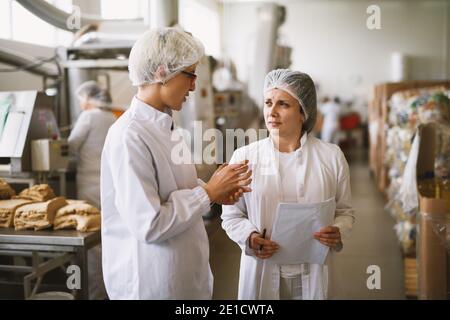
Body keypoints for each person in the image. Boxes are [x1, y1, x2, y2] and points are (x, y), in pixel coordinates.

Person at [100, 27, 252, 300]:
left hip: (181, 278)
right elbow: (150, 223)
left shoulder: (165, 127)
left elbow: (175, 189)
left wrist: (215, 191)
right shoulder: (129, 136)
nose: (194, 85)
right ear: (162, 72)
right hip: (151, 284)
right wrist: (207, 194)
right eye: (190, 74)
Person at [221, 69, 355, 300]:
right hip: (262, 268)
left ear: (303, 112)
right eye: (268, 102)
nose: (271, 111)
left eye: (283, 104)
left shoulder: (331, 156)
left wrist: (338, 230)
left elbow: (345, 211)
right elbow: (231, 215)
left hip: (315, 268)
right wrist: (250, 238)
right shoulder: (244, 157)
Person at [68, 80, 117, 300]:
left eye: (81, 100)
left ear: (88, 98)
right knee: (109, 237)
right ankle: (110, 289)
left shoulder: (88, 117)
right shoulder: (112, 117)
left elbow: (70, 145)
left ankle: (95, 294)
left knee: (91, 242)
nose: (81, 104)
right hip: (109, 186)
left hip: (89, 187)